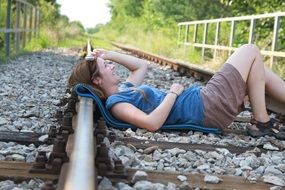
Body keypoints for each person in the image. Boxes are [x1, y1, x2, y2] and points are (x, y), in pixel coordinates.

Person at [68, 44, 285, 139]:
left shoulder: (124, 89)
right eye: (107, 67)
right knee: (250, 50)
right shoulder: (116, 104)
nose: (112, 66)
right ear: (97, 80)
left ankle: (261, 121)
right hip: (206, 106)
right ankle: (262, 123)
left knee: (259, 70)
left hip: (205, 102)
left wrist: (108, 55)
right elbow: (151, 124)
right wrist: (173, 94)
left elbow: (141, 66)